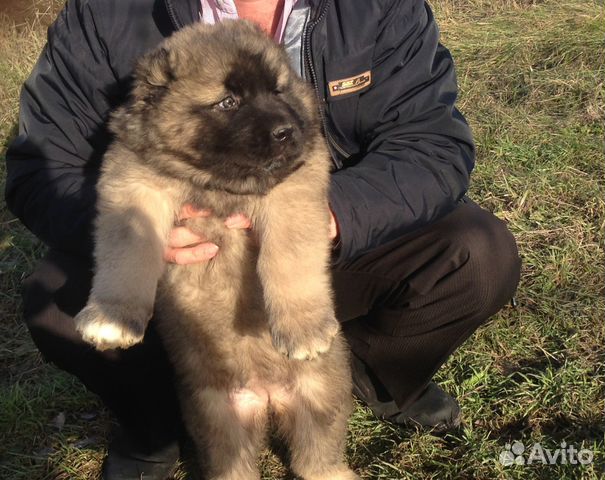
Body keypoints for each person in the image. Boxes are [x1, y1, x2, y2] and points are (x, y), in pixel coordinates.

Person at [5, 0, 521, 478]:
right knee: (61, 305)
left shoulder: (381, 6)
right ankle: (152, 428)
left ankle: (377, 375)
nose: (275, 120)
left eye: (278, 91)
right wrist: (143, 237)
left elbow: (431, 141)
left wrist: (335, 215)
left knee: (475, 253)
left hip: (327, 251)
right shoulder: (104, 13)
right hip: (183, 284)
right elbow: (42, 164)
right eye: (228, 102)